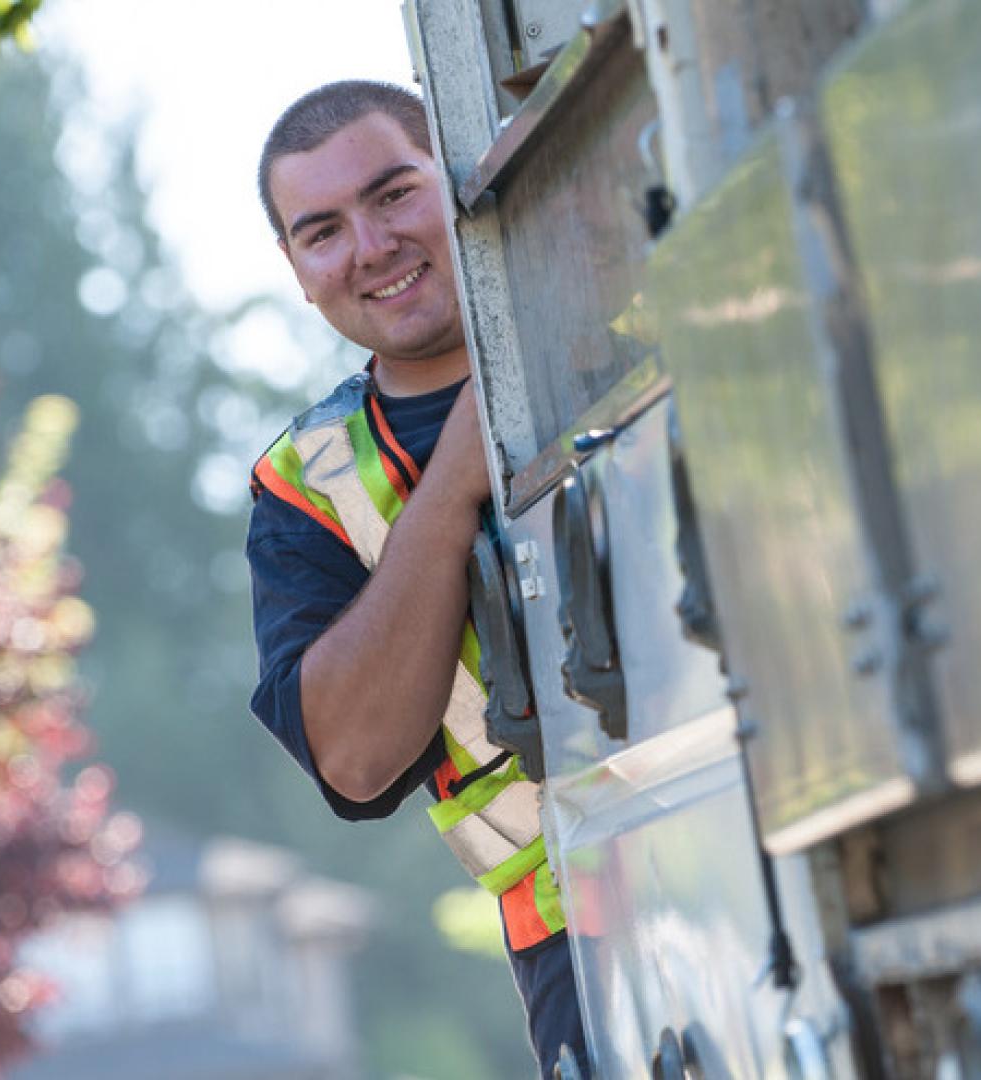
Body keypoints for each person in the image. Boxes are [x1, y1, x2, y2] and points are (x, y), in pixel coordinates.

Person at [244, 81, 586, 1077]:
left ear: (460, 173)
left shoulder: (607, 307)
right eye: (324, 231)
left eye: (394, 194)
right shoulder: (303, 489)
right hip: (577, 933)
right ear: (298, 270)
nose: (371, 247)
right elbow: (354, 757)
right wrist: (453, 490)